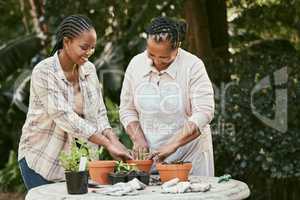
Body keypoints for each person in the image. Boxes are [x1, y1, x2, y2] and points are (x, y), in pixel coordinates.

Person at [18, 15, 132, 190]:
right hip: (42, 160)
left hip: (78, 164)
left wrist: (114, 140)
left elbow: (99, 113)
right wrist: (107, 144)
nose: (89, 52)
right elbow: (66, 118)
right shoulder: (44, 72)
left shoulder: (89, 69)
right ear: (66, 42)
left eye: (93, 48)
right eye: (84, 47)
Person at [119, 16, 215, 176]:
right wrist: (138, 138)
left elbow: (203, 112)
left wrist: (173, 145)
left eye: (163, 57)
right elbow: (127, 109)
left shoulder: (193, 66)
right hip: (152, 162)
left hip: (190, 159)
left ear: (177, 47)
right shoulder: (136, 64)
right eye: (151, 54)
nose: (156, 61)